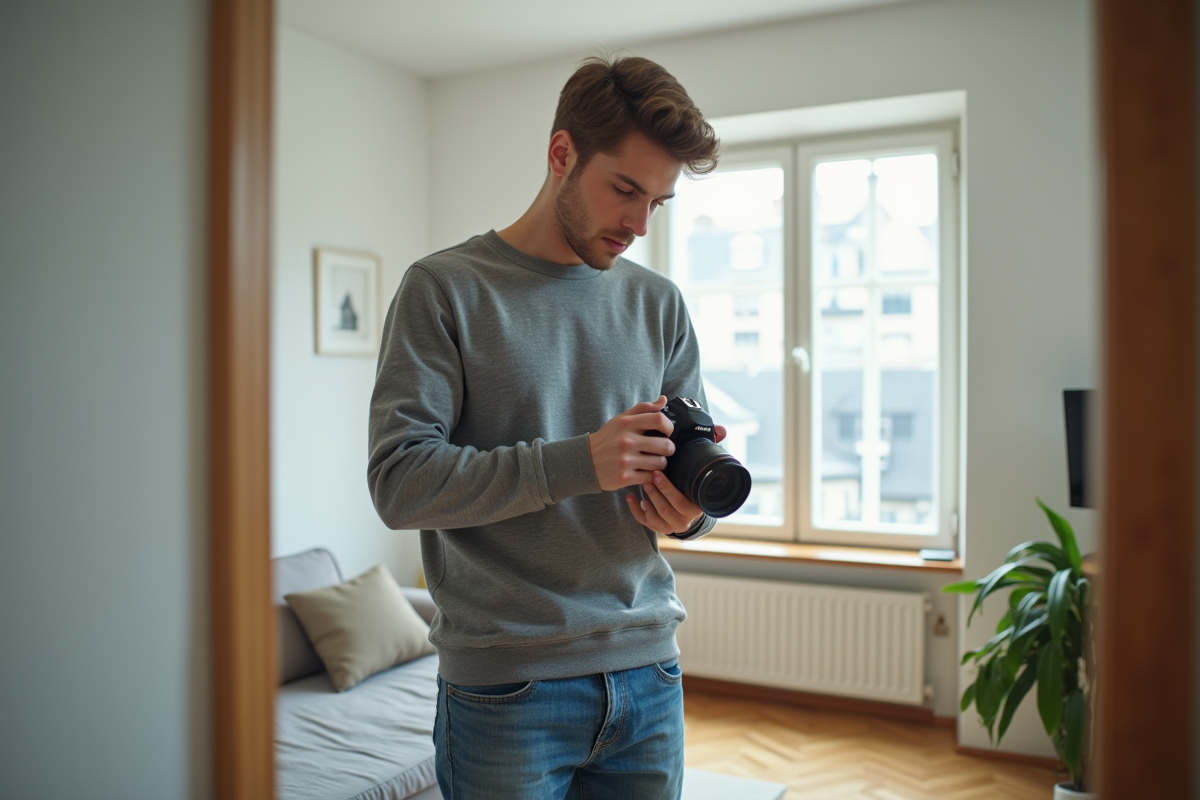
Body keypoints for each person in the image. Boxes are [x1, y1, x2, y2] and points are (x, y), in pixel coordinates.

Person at [368, 54, 722, 800]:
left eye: (658, 201)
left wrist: (690, 515)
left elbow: (681, 486)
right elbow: (399, 484)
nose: (638, 223)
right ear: (562, 154)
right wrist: (577, 463)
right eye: (625, 189)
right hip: (507, 689)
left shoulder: (660, 305)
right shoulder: (444, 290)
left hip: (649, 671)